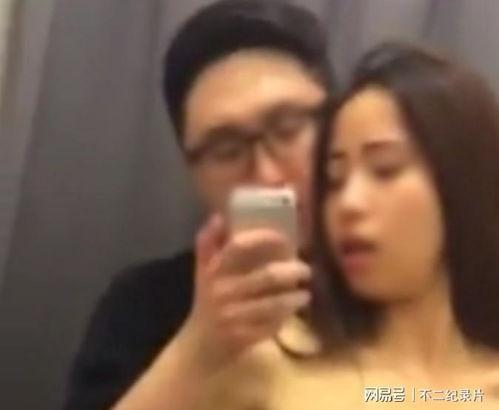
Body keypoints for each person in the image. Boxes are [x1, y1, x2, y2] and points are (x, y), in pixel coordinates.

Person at [194, 42, 499, 409]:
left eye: (385, 169)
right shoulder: (269, 363)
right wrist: (194, 347)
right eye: (334, 180)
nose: (348, 204)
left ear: (462, 182)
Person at [62, 1, 334, 409]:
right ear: (193, 174)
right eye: (226, 151)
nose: (267, 175)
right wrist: (198, 348)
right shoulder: (143, 304)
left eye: (288, 129)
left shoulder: (401, 282)